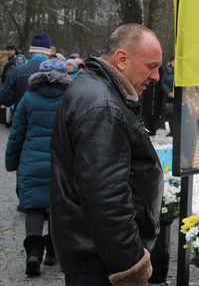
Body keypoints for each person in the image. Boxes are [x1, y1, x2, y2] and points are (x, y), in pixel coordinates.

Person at [50, 24, 164, 285]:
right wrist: (132, 268)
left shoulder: (100, 92)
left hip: (96, 254)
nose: (156, 76)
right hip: (101, 263)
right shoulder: (102, 105)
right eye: (151, 66)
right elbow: (107, 198)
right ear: (122, 59)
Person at [5, 59, 71, 275]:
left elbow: (16, 134)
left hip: (31, 161)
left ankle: (33, 253)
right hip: (59, 162)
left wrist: (11, 161)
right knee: (56, 206)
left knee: (33, 206)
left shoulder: (28, 98)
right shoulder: (70, 99)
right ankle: (52, 252)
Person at [0, 34, 51, 109]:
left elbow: (4, 99)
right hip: (50, 119)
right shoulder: (57, 73)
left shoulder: (17, 71)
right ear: (48, 53)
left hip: (22, 117)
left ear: (31, 52)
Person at [161, 57, 175, 136]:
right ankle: (171, 131)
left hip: (177, 97)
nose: (174, 63)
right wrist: (169, 92)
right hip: (168, 97)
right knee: (170, 114)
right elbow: (163, 83)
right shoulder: (167, 72)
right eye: (173, 61)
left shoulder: (181, 72)